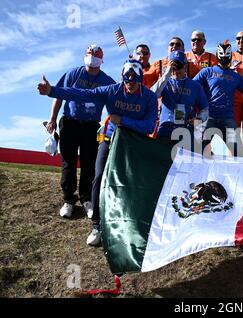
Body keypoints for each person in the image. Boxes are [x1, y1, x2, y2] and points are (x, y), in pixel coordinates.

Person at [38, 59, 158, 246]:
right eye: (127, 81)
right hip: (109, 138)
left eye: (135, 82)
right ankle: (96, 226)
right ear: (122, 78)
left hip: (133, 143)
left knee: (132, 181)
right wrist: (53, 91)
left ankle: (131, 223)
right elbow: (83, 94)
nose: (130, 86)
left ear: (141, 80)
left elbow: (149, 126)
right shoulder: (112, 90)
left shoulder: (149, 97)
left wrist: (123, 120)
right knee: (99, 176)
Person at [45, 44, 115, 219]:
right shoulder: (73, 74)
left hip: (91, 126)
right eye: (89, 53)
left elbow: (117, 98)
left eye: (96, 54)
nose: (92, 57)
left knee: (89, 163)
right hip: (69, 123)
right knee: (68, 162)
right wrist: (52, 119)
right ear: (85, 55)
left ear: (101, 59)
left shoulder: (106, 80)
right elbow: (59, 95)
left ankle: (86, 199)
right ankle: (68, 200)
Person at [193, 42, 243, 157]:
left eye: (227, 57)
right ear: (217, 56)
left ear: (230, 57)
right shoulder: (207, 72)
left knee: (238, 154)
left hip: (227, 120)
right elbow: (192, 87)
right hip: (208, 118)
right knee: (198, 151)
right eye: (222, 56)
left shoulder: (236, 76)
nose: (224, 59)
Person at [157, 50, 209, 152]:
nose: (176, 70)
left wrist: (199, 119)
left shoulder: (195, 86)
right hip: (166, 130)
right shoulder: (165, 83)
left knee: (186, 165)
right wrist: (166, 74)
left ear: (185, 66)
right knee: (163, 164)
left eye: (179, 66)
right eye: (173, 66)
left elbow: (205, 108)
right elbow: (153, 95)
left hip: (186, 131)